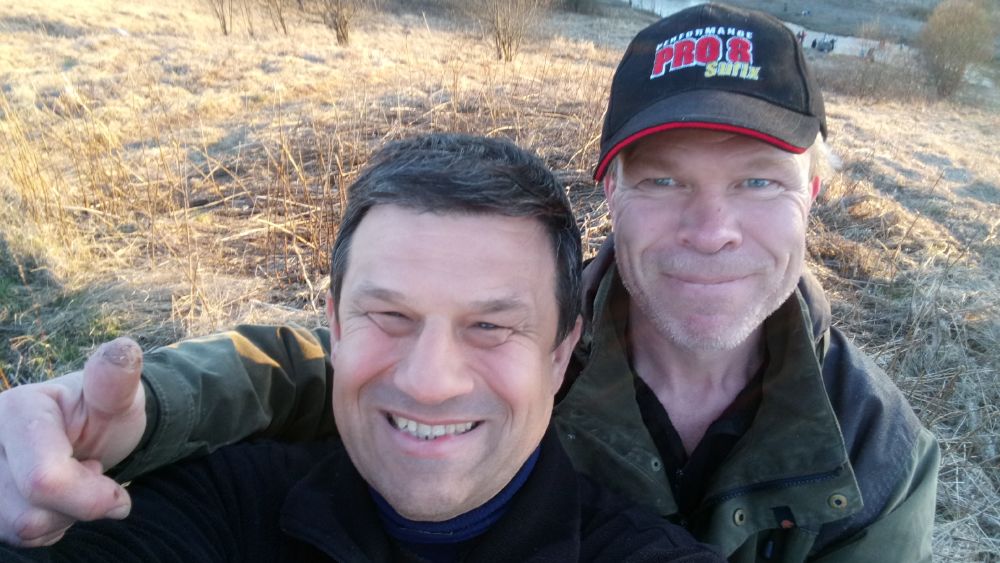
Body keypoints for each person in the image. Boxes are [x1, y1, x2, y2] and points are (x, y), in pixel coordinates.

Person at [0, 4, 938, 561]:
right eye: (663, 181)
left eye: (759, 182)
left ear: (815, 193)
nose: (711, 228)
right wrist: (117, 413)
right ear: (611, 191)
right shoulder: (529, 318)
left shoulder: (879, 457)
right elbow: (313, 367)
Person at [0, 133, 721, 562]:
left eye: (490, 326)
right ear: (336, 327)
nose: (430, 381)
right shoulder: (222, 505)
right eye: (390, 315)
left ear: (560, 354)